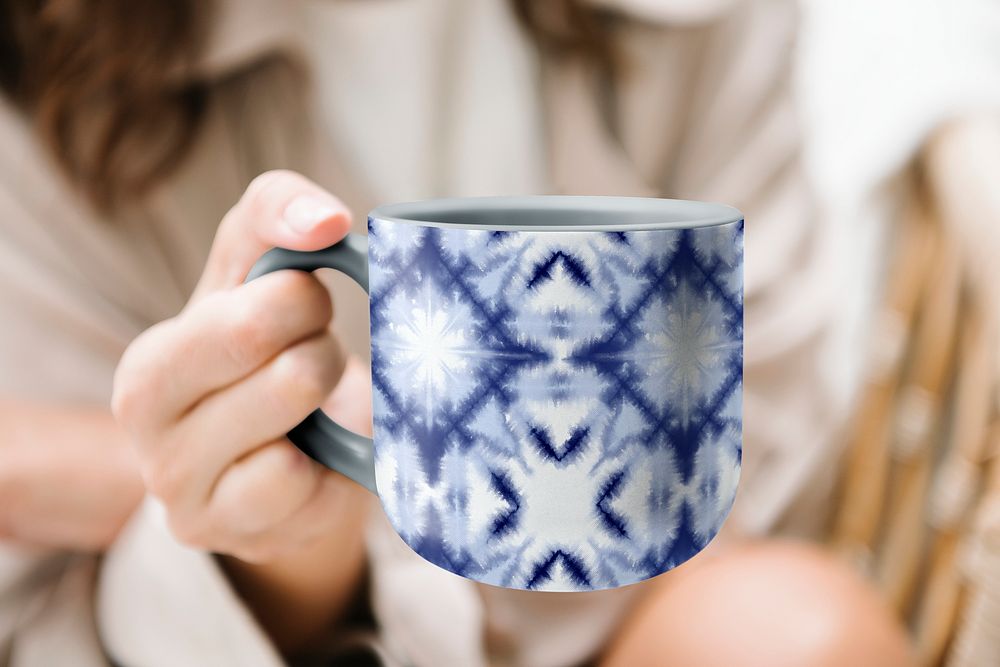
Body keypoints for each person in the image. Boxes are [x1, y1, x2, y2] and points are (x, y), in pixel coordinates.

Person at [0, 0, 913, 665]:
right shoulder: (39, 103)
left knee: (794, 631)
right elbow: (44, 625)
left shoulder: (695, 26)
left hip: (653, 625)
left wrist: (91, 469)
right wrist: (293, 559)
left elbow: (755, 450)